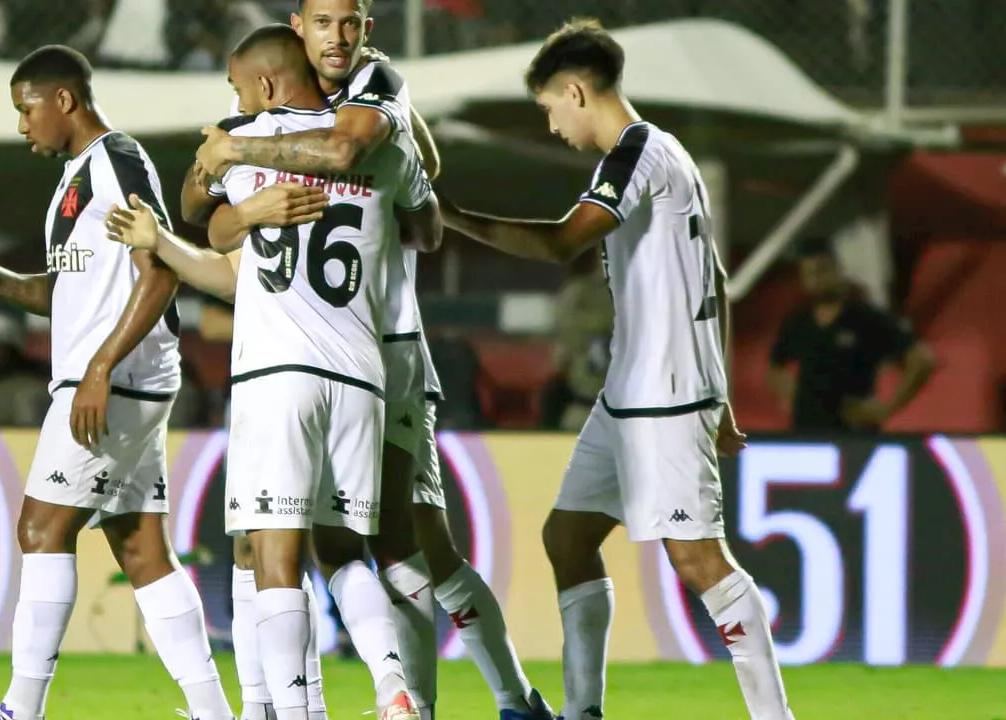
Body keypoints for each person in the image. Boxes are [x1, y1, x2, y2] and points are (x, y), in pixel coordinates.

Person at [190, 3, 553, 719]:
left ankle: (495, 699)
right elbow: (423, 215)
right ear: (297, 29)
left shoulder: (376, 88)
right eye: (325, 23)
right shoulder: (320, 118)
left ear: (368, 27)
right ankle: (424, 700)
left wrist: (235, 152)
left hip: (387, 353)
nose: (340, 37)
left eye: (350, 22)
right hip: (355, 359)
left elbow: (346, 165)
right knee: (361, 548)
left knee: (400, 551)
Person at [436, 19, 795, 720]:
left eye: (549, 108)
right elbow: (716, 278)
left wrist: (455, 219)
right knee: (566, 538)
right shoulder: (671, 156)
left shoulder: (634, 153)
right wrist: (721, 396)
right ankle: (582, 712)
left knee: (698, 563)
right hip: (634, 394)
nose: (551, 125)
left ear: (575, 90)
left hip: (664, 396)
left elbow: (564, 242)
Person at [105, 23, 439, 720]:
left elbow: (205, 219)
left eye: (236, 87)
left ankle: (292, 712)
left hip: (278, 376)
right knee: (346, 550)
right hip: (362, 378)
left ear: (259, 85)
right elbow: (427, 223)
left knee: (272, 554)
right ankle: (391, 684)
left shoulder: (248, 146)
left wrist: (229, 184)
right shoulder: (377, 143)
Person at [0, 45, 233, 720]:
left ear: (63, 100)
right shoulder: (76, 178)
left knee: (42, 528)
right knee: (141, 548)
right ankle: (215, 713)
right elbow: (72, 293)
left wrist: (99, 368)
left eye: (25, 109)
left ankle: (21, 709)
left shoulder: (115, 161)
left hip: (112, 379)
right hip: (124, 377)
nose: (21, 126)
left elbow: (161, 268)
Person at [767, 238, 935, 432]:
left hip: (855, 435)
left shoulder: (866, 318)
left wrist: (887, 408)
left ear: (838, 270)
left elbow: (922, 360)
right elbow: (774, 368)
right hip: (807, 435)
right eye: (809, 274)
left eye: (822, 270)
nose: (816, 279)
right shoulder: (798, 322)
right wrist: (790, 395)